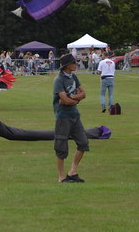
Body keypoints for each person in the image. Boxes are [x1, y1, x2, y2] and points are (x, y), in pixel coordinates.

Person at [53, 53, 88, 183]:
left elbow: (83, 94)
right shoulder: (58, 80)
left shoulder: (74, 77)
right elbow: (64, 100)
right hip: (63, 116)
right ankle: (61, 177)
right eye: (74, 63)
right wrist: (74, 99)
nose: (76, 64)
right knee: (61, 147)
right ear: (67, 66)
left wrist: (73, 98)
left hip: (75, 115)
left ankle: (73, 171)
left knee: (83, 143)